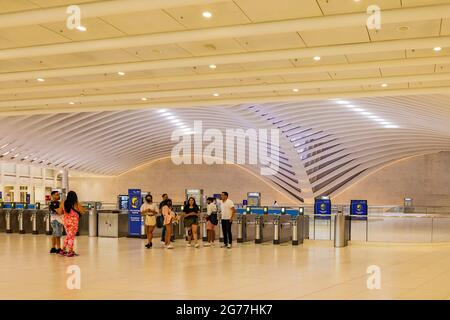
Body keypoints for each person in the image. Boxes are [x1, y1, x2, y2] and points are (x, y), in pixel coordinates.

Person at [59, 191, 85, 257]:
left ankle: (63, 250)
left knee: (69, 236)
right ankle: (70, 251)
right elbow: (83, 211)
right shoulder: (76, 203)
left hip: (65, 222)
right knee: (71, 237)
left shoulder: (63, 203)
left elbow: (60, 212)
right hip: (73, 222)